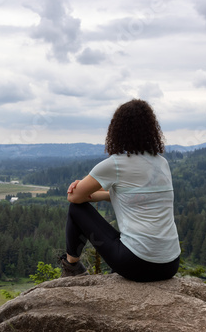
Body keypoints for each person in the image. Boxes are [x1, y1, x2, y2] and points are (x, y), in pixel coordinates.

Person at [60, 99, 181, 282]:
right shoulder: (161, 163)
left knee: (77, 210)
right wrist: (97, 195)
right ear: (151, 129)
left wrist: (83, 191)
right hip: (170, 265)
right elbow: (135, 197)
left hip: (136, 264)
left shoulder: (116, 164)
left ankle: (72, 266)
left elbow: (74, 198)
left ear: (117, 130)